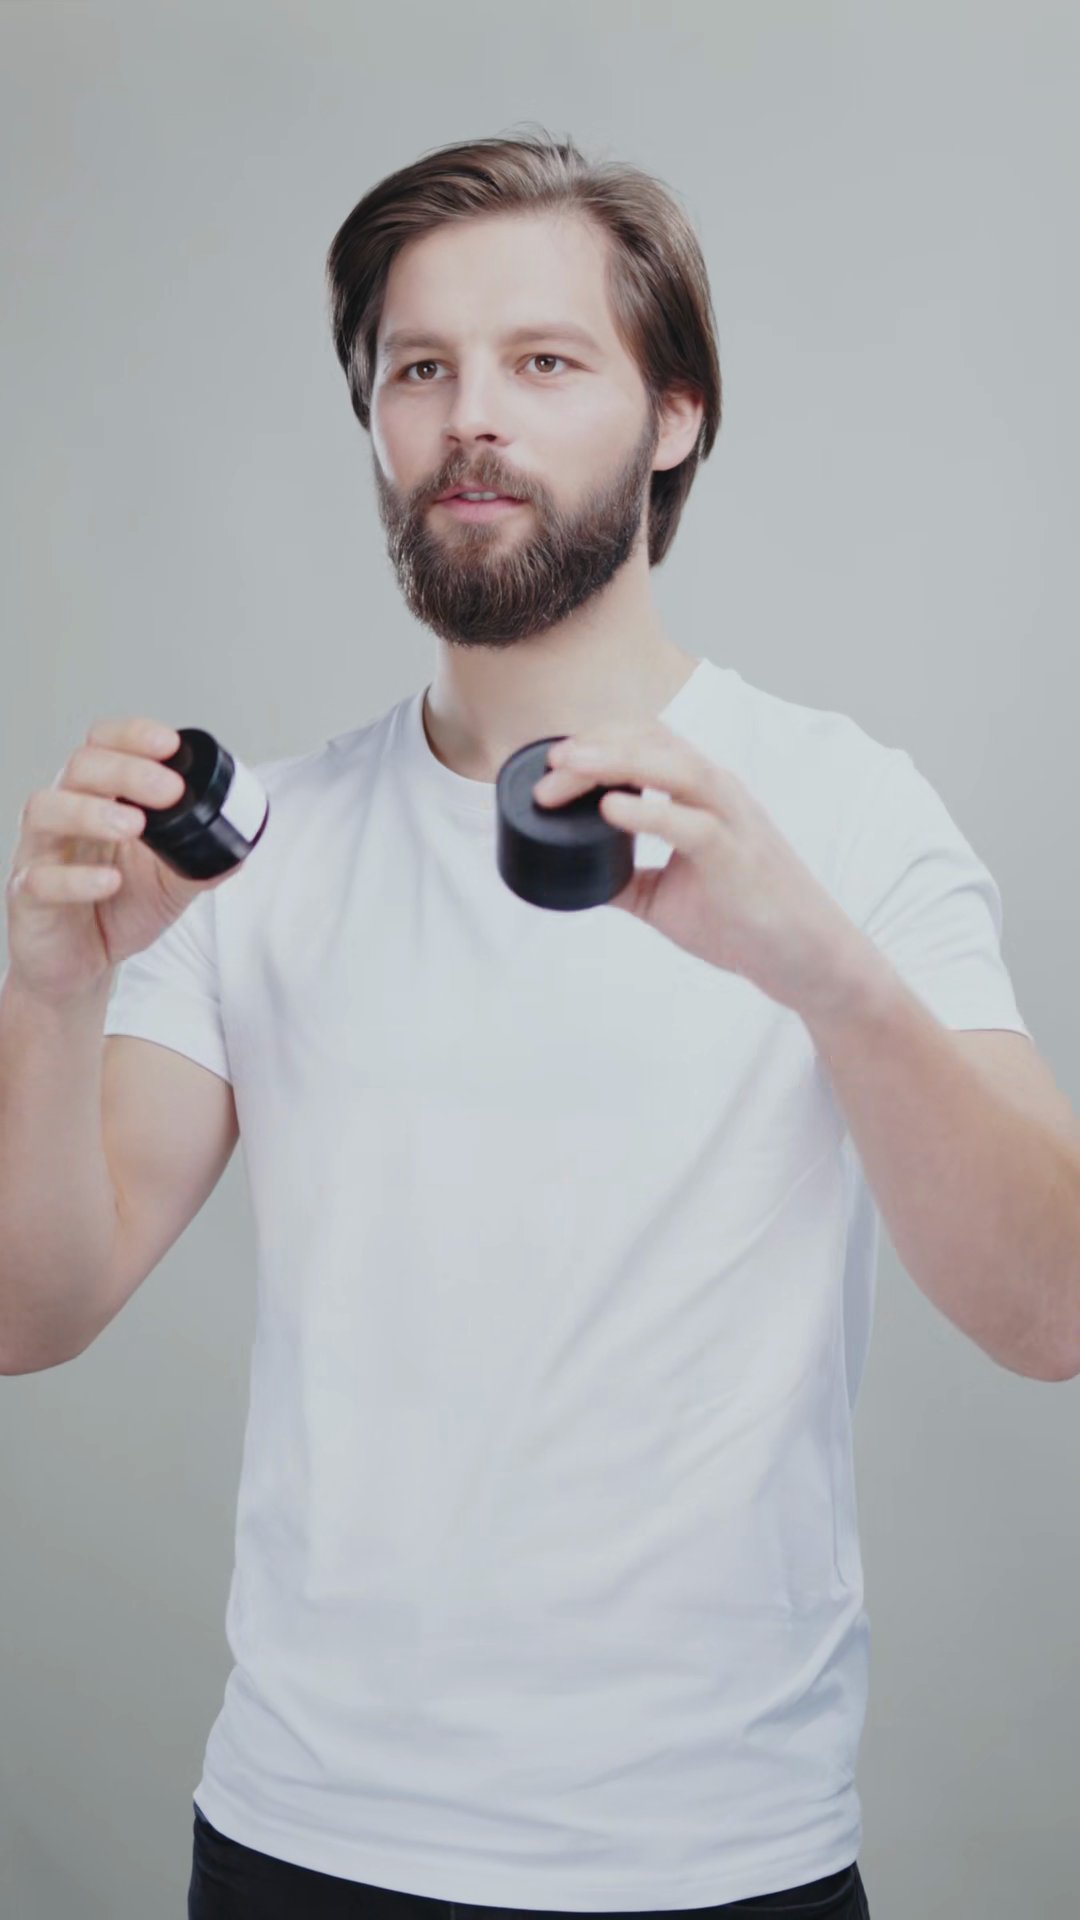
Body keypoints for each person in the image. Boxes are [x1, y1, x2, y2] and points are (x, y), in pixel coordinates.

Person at [5, 128, 1076, 1920]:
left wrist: (819, 967)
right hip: (305, 1843)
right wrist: (52, 993)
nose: (471, 417)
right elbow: (25, 1313)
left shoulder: (845, 813)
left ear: (676, 418)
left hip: (722, 1859)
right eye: (420, 369)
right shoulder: (252, 853)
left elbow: (1054, 1314)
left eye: (546, 361)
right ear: (374, 422)